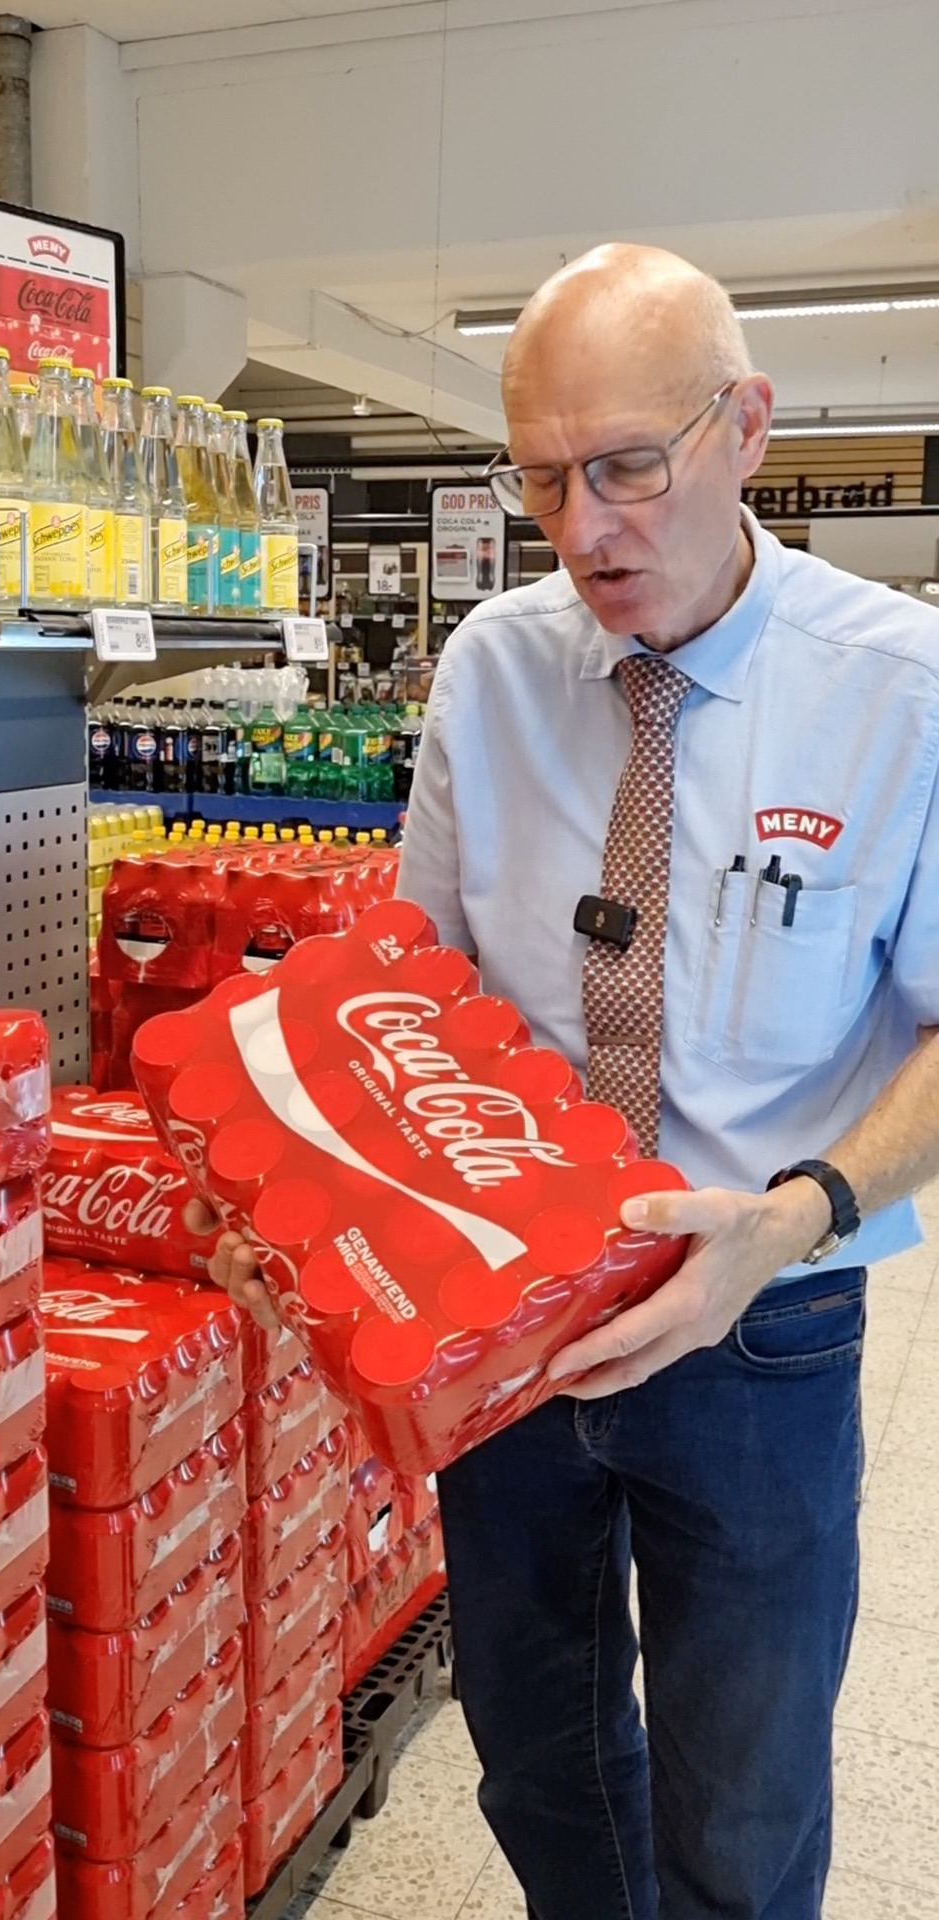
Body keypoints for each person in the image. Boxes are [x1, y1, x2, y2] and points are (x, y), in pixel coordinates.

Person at [190, 244, 939, 1920]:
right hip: (504, 1318)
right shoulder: (495, 667)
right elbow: (402, 984)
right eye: (540, 479)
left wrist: (795, 1216)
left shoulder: (902, 691)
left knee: (745, 1800)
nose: (584, 528)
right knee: (538, 1763)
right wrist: (299, 1203)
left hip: (763, 1318)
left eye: (627, 467)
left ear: (747, 426)